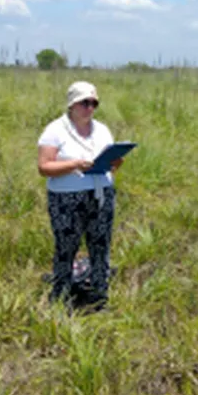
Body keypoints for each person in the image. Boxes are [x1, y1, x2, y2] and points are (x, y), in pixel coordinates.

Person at [37, 81, 123, 311]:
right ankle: (61, 297)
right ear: (72, 104)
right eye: (85, 103)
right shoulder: (54, 130)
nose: (90, 108)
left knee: (100, 246)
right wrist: (74, 164)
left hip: (101, 194)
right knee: (66, 247)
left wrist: (115, 162)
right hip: (66, 199)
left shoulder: (102, 130)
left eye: (94, 103)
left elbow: (111, 165)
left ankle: (98, 296)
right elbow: (44, 167)